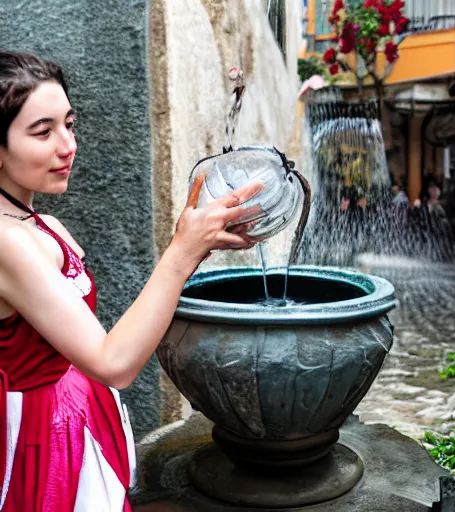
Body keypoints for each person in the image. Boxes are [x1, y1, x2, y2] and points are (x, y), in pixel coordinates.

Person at [0, 52, 260, 511]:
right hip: (39, 447)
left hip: (72, 417)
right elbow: (114, 362)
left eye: (69, 123)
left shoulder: (35, 222)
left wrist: (197, 244)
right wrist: (182, 252)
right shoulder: (8, 242)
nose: (68, 145)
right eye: (43, 132)